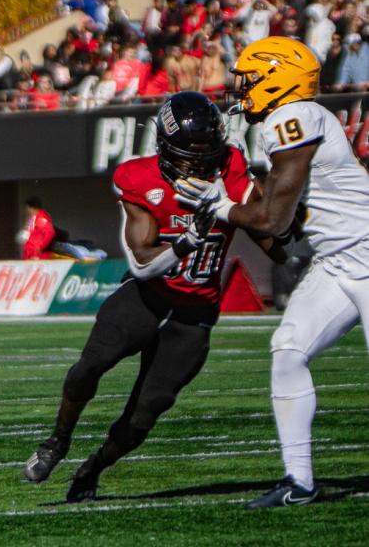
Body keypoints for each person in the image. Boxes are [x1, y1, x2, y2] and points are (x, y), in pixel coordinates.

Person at [23, 93, 284, 501]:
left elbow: (269, 233)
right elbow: (143, 263)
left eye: (206, 155)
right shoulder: (139, 178)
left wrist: (296, 236)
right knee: (86, 369)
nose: (199, 166)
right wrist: (186, 243)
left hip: (195, 313)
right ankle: (58, 440)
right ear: (163, 147)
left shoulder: (232, 166)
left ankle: (93, 468)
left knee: (144, 416)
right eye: (187, 156)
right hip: (148, 295)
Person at [174, 36, 369, 507]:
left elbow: (272, 222)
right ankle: (298, 482)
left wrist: (219, 207)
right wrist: (231, 189)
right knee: (288, 348)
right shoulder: (288, 123)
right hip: (340, 261)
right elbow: (281, 243)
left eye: (249, 78)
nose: (240, 88)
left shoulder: (293, 117)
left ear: (275, 78)